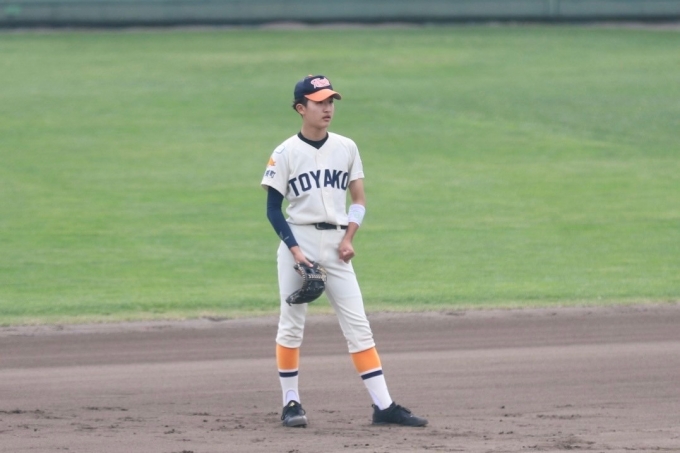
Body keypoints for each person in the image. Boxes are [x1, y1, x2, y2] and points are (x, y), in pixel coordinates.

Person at [260, 75, 428, 428]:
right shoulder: (285, 153)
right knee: (291, 325)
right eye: (319, 102)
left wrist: (350, 237)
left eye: (330, 101)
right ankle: (291, 404)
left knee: (359, 327)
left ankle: (384, 407)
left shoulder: (346, 147)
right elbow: (273, 209)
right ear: (301, 108)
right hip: (298, 242)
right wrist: (294, 250)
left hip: (337, 246)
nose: (327, 108)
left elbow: (359, 200)